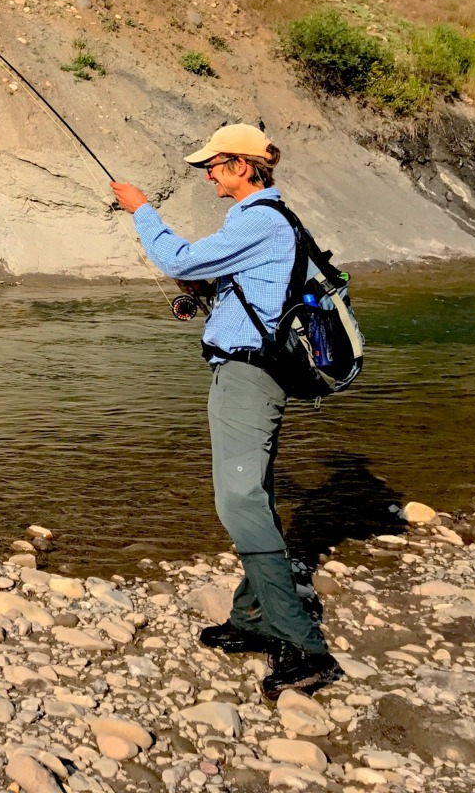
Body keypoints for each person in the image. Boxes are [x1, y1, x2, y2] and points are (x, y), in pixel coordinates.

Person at [109, 123, 342, 699]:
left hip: (249, 375)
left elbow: (178, 257)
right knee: (252, 495)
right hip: (247, 370)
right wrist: (205, 299)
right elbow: (238, 283)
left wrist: (142, 209)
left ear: (243, 165)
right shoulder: (258, 220)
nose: (207, 173)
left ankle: (303, 647)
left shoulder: (260, 220)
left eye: (213, 164)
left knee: (237, 500)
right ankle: (252, 619)